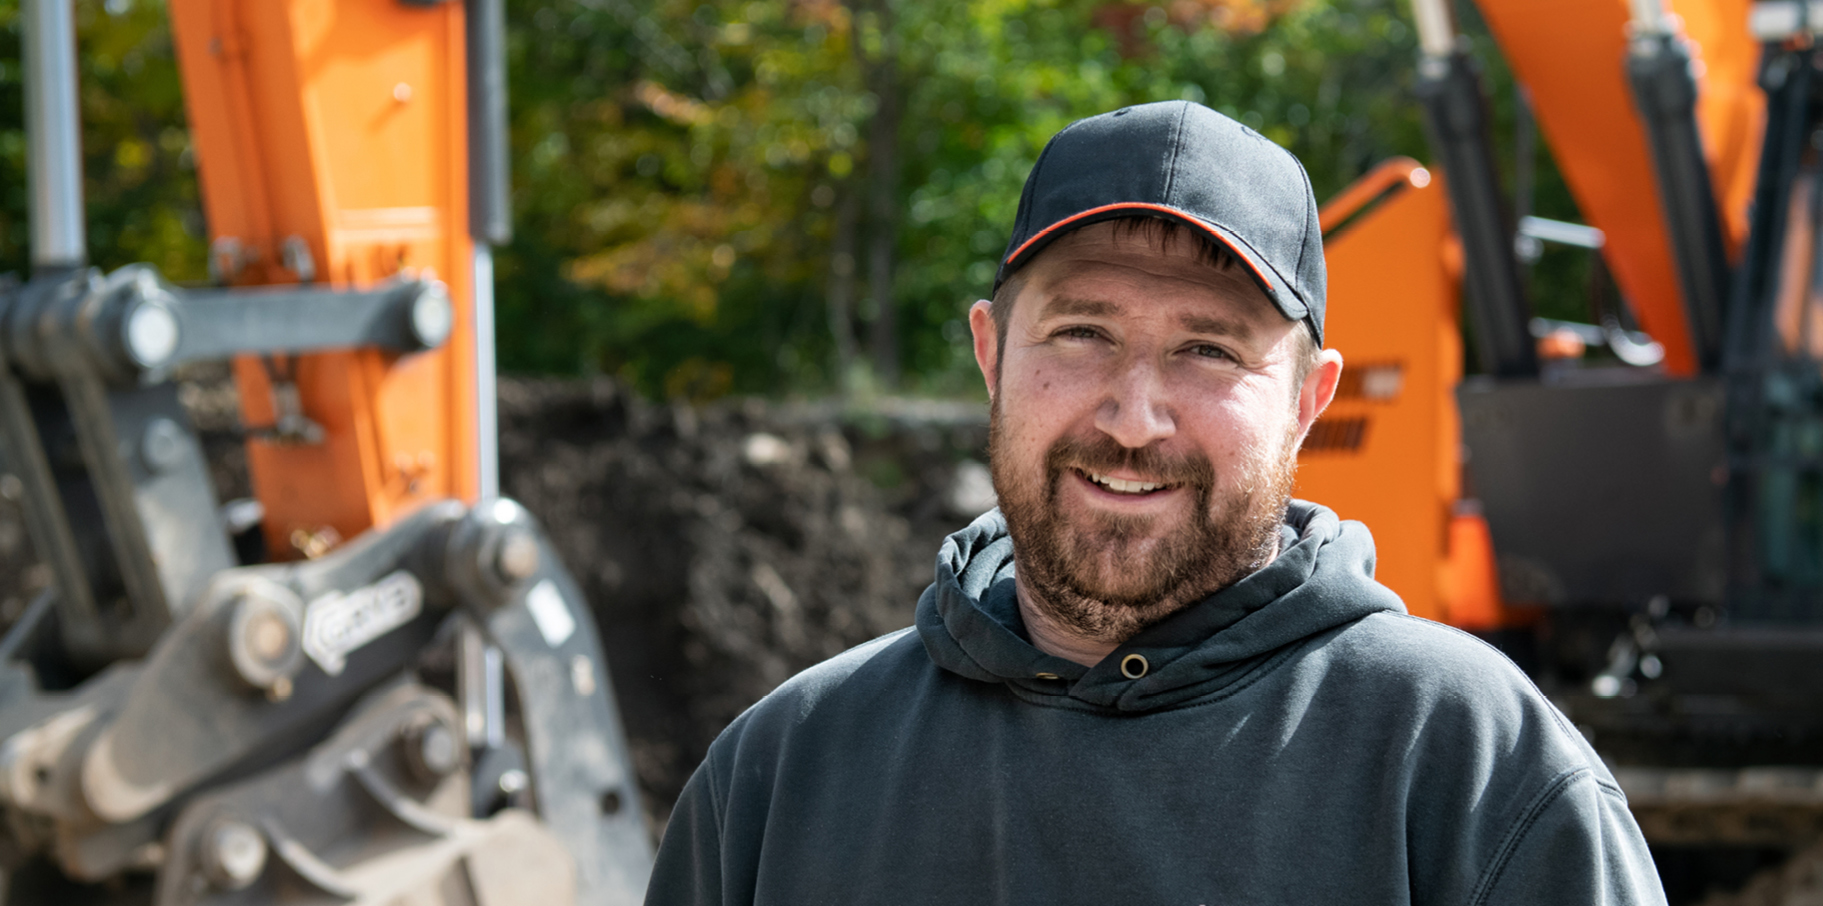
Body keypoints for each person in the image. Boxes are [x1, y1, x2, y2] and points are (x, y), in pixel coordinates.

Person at [644, 100, 1666, 905]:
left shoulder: (1466, 767)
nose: (1133, 420)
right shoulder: (782, 777)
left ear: (1309, 402)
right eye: (1082, 332)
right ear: (990, 355)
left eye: (1207, 350)